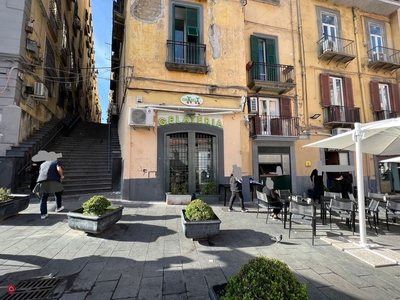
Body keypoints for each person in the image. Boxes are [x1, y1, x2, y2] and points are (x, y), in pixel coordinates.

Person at [32, 151, 65, 219]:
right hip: (54, 179)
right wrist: (61, 176)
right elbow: (59, 169)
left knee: (44, 197)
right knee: (58, 192)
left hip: (42, 180)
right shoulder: (56, 162)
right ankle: (58, 207)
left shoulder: (43, 164)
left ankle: (43, 214)